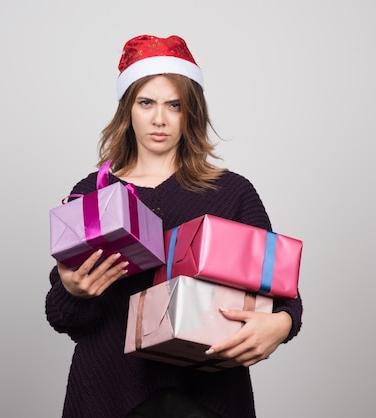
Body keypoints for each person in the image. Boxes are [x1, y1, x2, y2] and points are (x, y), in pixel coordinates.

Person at [45, 34, 303, 418]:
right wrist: (73, 292)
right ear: (127, 110)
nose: (159, 119)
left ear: (191, 113)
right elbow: (62, 316)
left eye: (174, 105)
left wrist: (281, 325)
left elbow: (284, 295)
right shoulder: (94, 193)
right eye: (146, 102)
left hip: (209, 398)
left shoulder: (231, 192)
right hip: (107, 395)